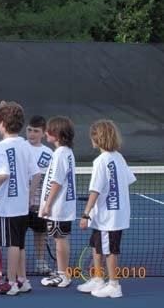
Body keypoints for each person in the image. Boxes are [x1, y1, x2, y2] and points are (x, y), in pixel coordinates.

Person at [0, 101, 41, 295]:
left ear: (1, 122)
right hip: (22, 207)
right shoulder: (25, 146)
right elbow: (36, 175)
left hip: (7, 206)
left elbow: (3, 175)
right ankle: (23, 280)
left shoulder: (0, 147)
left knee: (11, 245)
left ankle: (10, 282)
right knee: (20, 244)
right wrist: (30, 197)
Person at [77, 120, 136, 298]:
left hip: (109, 217)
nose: (91, 140)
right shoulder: (118, 157)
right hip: (110, 215)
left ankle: (114, 285)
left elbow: (95, 190)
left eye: (92, 137)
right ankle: (97, 278)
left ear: (98, 138)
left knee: (109, 251)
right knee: (96, 245)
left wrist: (85, 214)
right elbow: (127, 180)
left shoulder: (100, 161)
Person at [39, 116, 76, 288]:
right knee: (60, 239)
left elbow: (57, 181)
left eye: (49, 130)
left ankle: (63, 275)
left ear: (58, 134)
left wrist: (47, 205)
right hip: (62, 206)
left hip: (58, 207)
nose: (46, 132)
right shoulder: (66, 152)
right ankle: (63, 273)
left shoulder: (61, 153)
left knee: (59, 239)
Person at [25, 115, 54, 274]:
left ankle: (41, 262)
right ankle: (18, 264)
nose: (32, 134)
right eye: (29, 130)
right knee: (18, 235)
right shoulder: (20, 147)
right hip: (20, 203)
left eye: (36, 131)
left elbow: (50, 179)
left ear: (43, 133)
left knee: (40, 234)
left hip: (39, 204)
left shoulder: (48, 153)